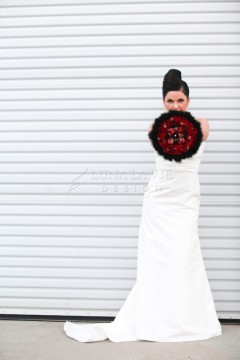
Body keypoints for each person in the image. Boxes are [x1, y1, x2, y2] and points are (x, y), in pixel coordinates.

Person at [63, 69, 222, 343]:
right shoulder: (153, 127)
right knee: (157, 261)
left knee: (185, 256)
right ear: (163, 102)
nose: (175, 106)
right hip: (159, 202)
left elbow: (193, 137)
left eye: (180, 101)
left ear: (189, 100)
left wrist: (181, 123)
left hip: (185, 202)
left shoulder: (203, 124)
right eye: (170, 101)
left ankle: (188, 319)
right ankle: (155, 319)